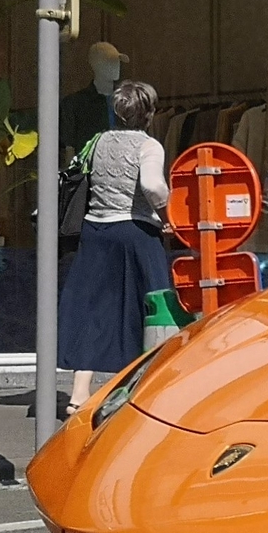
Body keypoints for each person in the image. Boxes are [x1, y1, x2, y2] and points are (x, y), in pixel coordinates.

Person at [59, 78, 172, 409]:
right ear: (149, 112)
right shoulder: (149, 146)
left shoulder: (96, 142)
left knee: (94, 310)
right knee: (151, 309)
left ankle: (79, 393)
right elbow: (152, 186)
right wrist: (166, 211)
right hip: (135, 232)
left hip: (95, 231)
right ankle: (143, 388)